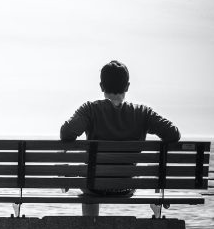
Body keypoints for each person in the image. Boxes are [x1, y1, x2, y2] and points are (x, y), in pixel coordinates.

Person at [60, 60, 180, 216]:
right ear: (127, 86)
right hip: (127, 186)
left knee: (85, 177)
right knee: (88, 176)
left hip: (94, 186)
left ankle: (91, 226)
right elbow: (173, 134)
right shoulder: (143, 112)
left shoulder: (90, 110)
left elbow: (66, 133)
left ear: (101, 86)